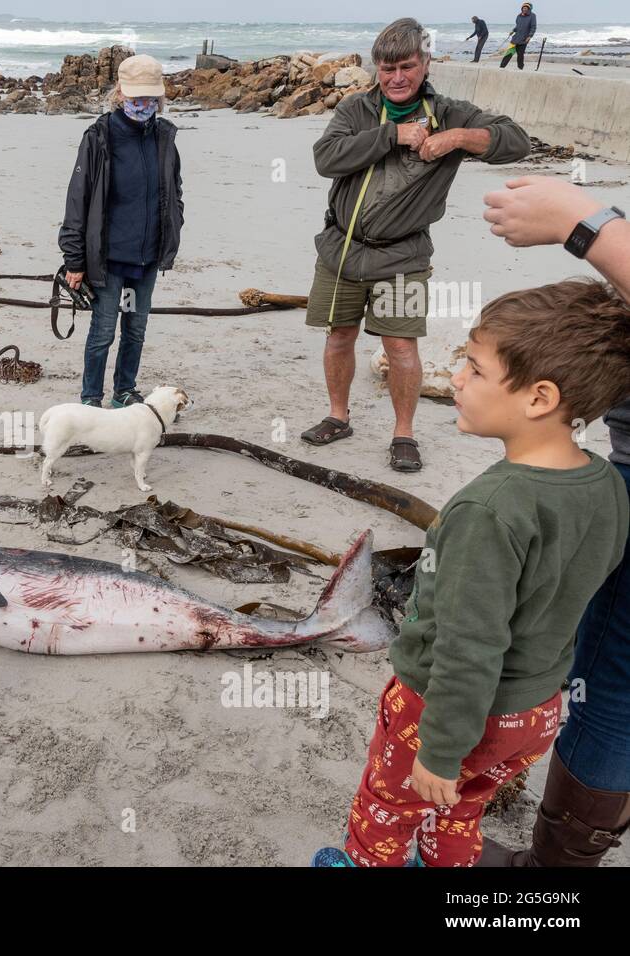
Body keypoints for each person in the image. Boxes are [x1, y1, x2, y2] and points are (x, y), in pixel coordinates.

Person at [313, 277, 630, 866]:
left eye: (475, 369)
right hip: (535, 710)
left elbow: (469, 644)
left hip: (451, 709)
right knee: (460, 808)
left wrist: (441, 747)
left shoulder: (488, 510)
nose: (456, 379)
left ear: (539, 398)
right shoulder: (606, 482)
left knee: (388, 807)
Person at [477, 177, 630, 865]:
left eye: (474, 370)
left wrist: (585, 224)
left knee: (612, 686)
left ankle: (555, 872)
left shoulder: (500, 506)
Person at [300, 17, 529, 472]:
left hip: (403, 255)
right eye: (387, 69)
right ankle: (338, 416)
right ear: (376, 70)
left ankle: (403, 434)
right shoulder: (356, 110)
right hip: (340, 250)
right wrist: (392, 135)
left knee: (401, 348)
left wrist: (459, 138)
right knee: (339, 337)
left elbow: (516, 141)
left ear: (425, 64)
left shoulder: (449, 112)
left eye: (406, 66)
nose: (397, 78)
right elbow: (325, 159)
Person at [58, 53, 183, 409]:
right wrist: (74, 260)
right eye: (135, 97)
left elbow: (175, 190)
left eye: (149, 98)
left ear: (159, 99)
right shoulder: (99, 137)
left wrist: (174, 227)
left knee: (135, 330)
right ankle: (90, 401)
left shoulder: (164, 137)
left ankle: (124, 392)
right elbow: (77, 201)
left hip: (146, 257)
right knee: (102, 333)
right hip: (108, 259)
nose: (142, 104)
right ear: (120, 93)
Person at [499, 3, 537, 70]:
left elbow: (533, 27)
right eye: (523, 8)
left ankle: (520, 68)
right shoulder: (519, 16)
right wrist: (513, 30)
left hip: (523, 39)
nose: (524, 9)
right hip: (515, 39)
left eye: (526, 8)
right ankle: (502, 67)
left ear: (529, 9)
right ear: (521, 9)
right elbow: (517, 26)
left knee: (520, 55)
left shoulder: (532, 16)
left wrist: (530, 36)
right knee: (509, 53)